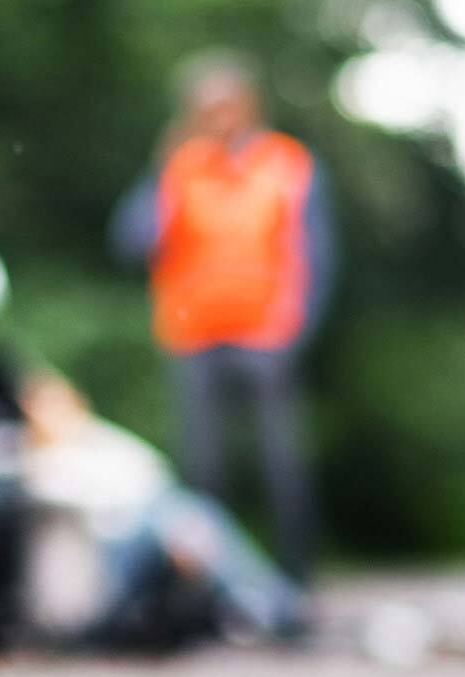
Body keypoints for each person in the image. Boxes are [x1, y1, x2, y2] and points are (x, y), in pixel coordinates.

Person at [109, 50, 336, 588]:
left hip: (266, 336)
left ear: (249, 105)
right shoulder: (181, 168)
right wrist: (161, 171)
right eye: (207, 109)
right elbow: (131, 241)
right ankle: (214, 589)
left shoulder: (288, 164)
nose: (219, 118)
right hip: (193, 335)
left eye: (227, 106)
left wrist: (297, 329)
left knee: (283, 464)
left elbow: (318, 253)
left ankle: (296, 585)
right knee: (203, 470)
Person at [17, 369, 306, 649]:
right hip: (107, 562)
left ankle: (260, 603)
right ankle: (267, 604)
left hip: (146, 536)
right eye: (45, 407)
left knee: (189, 513)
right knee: (181, 517)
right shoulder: (29, 459)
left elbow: (153, 473)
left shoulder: (99, 441)